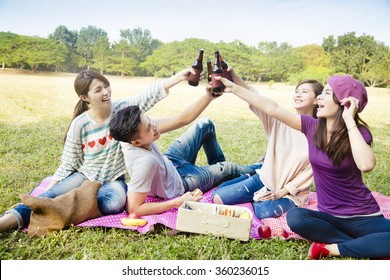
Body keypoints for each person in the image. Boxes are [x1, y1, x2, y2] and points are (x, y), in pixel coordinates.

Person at [216, 74, 390, 259]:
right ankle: (361, 245)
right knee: (296, 218)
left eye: (327, 93)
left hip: (363, 216)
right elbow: (271, 108)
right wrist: (234, 88)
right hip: (328, 217)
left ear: (344, 103)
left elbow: (366, 164)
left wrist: (349, 119)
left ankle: (332, 248)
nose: (319, 98)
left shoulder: (359, 133)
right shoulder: (311, 126)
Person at [0, 68, 193, 233]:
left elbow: (149, 95)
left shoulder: (122, 110)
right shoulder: (80, 124)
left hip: (113, 179)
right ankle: (8, 221)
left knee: (115, 203)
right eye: (98, 90)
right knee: (47, 197)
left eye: (106, 86)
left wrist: (179, 77)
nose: (106, 92)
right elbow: (68, 162)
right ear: (85, 97)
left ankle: (67, 205)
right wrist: (52, 188)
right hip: (84, 176)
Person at [109, 85, 260, 216]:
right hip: (182, 183)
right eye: (149, 128)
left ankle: (221, 176)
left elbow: (182, 118)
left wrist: (209, 96)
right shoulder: (144, 163)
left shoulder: (130, 134)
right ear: (135, 142)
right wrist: (178, 202)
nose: (154, 126)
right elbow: (134, 208)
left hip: (171, 161)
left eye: (149, 120)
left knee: (204, 124)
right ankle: (264, 168)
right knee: (229, 168)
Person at [212, 68, 323, 220]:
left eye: (304, 92)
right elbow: (257, 100)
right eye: (297, 91)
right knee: (217, 197)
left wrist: (282, 192)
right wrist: (234, 77)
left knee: (263, 213)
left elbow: (309, 173)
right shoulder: (280, 121)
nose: (298, 94)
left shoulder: (320, 134)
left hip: (289, 192)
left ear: (317, 99)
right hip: (265, 179)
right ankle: (253, 177)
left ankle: (251, 186)